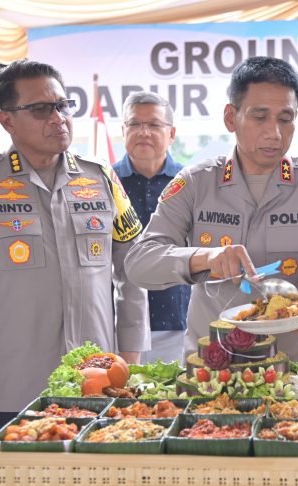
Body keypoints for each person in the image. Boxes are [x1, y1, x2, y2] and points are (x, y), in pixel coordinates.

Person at [0, 59, 149, 446]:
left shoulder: (100, 178)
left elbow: (133, 271)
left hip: (96, 383)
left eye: (63, 105)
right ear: (7, 120)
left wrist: (129, 354)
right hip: (10, 388)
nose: (58, 118)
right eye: (41, 109)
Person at [125, 56, 298, 362]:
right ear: (231, 117)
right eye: (260, 117)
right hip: (213, 367)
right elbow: (140, 262)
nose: (275, 132)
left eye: (285, 118)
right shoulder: (196, 182)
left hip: (293, 367)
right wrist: (203, 258)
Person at [113, 91, 190, 364]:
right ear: (123, 131)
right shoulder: (104, 183)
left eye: (154, 125)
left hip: (178, 323)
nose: (143, 132)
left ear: (171, 134)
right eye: (135, 124)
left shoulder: (189, 183)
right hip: (116, 327)